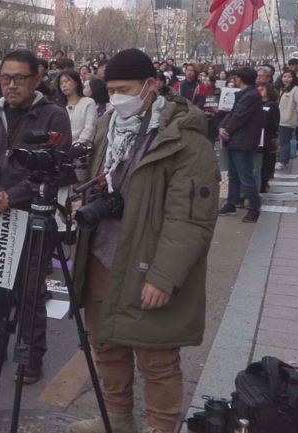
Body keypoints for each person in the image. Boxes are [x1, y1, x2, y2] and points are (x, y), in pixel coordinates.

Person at [68, 48, 218, 433]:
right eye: (111, 89)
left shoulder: (183, 138)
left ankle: (160, 427)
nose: (117, 97)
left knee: (157, 359)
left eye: (125, 89)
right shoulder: (107, 126)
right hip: (102, 256)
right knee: (107, 346)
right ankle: (117, 420)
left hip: (149, 263)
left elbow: (190, 218)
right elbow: (97, 179)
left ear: (151, 85)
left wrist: (164, 276)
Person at [0, 49, 71, 385]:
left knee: (29, 289)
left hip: (32, 215)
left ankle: (30, 353)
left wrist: (12, 196)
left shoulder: (53, 117)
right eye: (5, 78)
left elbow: (57, 165)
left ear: (37, 78)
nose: (10, 85)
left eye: (19, 79)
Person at [218, 67, 266, 224]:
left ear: (240, 78)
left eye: (236, 78)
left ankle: (254, 207)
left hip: (243, 141)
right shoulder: (245, 94)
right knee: (233, 175)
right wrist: (222, 127)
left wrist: (227, 129)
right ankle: (231, 203)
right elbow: (232, 113)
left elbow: (239, 116)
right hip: (235, 140)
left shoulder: (251, 96)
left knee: (246, 176)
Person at [277, 70, 298, 169]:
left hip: (289, 119)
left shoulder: (297, 90)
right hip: (281, 118)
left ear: (293, 78)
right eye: (284, 76)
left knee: (284, 141)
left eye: (289, 76)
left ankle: (283, 161)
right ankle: (282, 157)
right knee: (282, 140)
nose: (286, 79)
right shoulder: (284, 89)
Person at [58, 70, 97, 144]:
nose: (63, 85)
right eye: (61, 83)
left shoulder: (88, 102)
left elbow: (89, 128)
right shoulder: (59, 105)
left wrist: (78, 146)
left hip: (81, 148)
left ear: (76, 83)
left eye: (66, 81)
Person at [257, 83, 280, 194]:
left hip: (267, 137)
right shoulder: (256, 103)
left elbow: (274, 121)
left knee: (266, 161)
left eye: (262, 89)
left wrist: (273, 136)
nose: (260, 90)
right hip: (257, 136)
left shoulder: (272, 105)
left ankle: (264, 183)